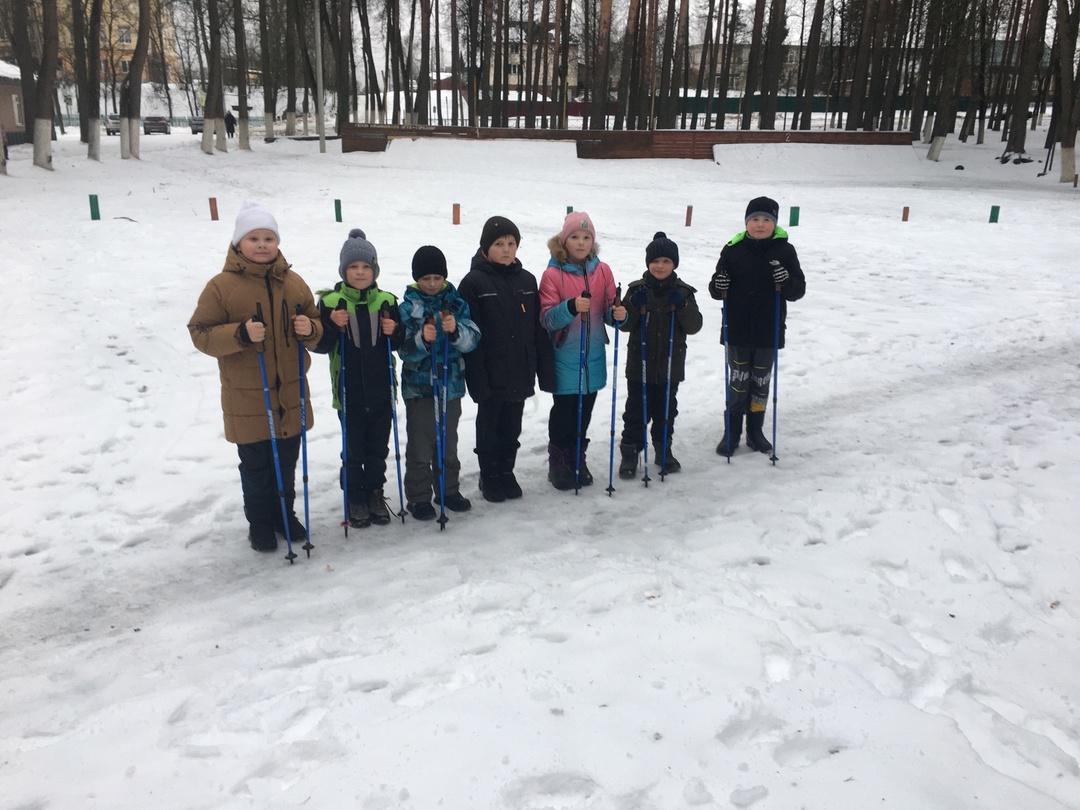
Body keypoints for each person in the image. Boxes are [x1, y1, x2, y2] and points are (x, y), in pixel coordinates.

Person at [188, 200, 323, 553]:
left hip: (290, 394)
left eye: (269, 238)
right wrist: (240, 335)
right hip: (249, 397)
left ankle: (284, 515)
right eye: (254, 238)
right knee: (257, 467)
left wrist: (311, 327)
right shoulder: (222, 286)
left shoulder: (294, 283)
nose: (262, 245)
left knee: (287, 461)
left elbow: (317, 325)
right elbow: (200, 332)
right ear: (238, 244)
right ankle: (260, 523)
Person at [458, 216, 554, 503]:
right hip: (490, 371)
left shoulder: (527, 280)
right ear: (486, 248)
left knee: (512, 427)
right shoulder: (473, 283)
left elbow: (537, 330)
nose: (506, 249)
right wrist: (477, 381)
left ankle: (506, 472)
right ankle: (489, 476)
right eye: (499, 244)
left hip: (520, 369)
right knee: (490, 428)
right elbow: (470, 336)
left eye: (511, 244)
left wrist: (542, 371)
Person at [312, 228, 404, 528]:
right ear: (343, 270)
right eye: (354, 267)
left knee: (378, 449)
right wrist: (329, 324)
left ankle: (375, 493)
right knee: (354, 449)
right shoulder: (331, 302)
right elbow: (321, 346)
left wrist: (396, 331)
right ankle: (354, 497)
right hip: (349, 391)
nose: (360, 272)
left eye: (366, 267)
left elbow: (401, 343)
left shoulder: (387, 300)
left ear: (374, 270)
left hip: (381, 390)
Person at [709, 196, 806, 456]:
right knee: (739, 382)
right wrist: (719, 285)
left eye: (766, 220)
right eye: (755, 219)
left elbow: (798, 290)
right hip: (737, 329)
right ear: (746, 222)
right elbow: (715, 288)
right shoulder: (732, 249)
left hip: (768, 330)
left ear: (774, 224)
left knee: (760, 383)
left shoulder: (785, 251)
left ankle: (755, 432)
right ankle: (732, 434)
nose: (760, 225)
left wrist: (786, 281)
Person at [539, 212, 627, 490]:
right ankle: (559, 462)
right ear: (564, 241)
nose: (581, 243)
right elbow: (546, 318)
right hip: (565, 356)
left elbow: (611, 310)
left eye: (586, 237)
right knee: (564, 412)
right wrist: (570, 307)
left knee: (585, 410)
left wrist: (619, 314)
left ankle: (578, 456)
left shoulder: (603, 271)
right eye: (575, 237)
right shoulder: (553, 274)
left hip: (593, 356)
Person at [397, 246, 481, 520]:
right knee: (421, 446)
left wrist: (455, 330)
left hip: (450, 385)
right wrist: (423, 339)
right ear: (416, 279)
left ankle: (448, 489)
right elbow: (404, 349)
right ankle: (419, 497)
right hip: (420, 389)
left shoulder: (456, 304)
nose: (432, 284)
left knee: (448, 443)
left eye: (437, 278)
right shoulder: (408, 308)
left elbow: (472, 339)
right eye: (425, 279)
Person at [618, 232, 703, 479]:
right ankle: (631, 452)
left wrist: (684, 307)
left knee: (665, 411)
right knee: (636, 411)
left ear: (674, 264)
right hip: (639, 365)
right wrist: (633, 305)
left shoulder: (683, 292)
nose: (660, 266)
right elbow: (623, 325)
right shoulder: (636, 290)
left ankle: (663, 449)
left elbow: (694, 326)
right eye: (655, 261)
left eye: (666, 261)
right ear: (648, 263)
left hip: (669, 366)